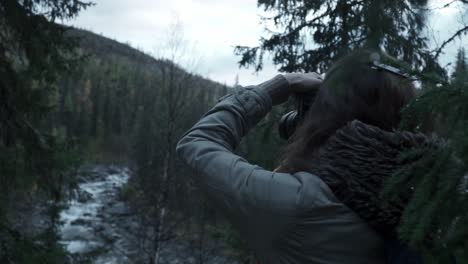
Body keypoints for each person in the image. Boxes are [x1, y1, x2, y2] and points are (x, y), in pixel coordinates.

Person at [176, 50, 427, 263]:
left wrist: (279, 86)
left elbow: (197, 143)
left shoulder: (301, 204)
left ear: (326, 116)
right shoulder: (435, 192)